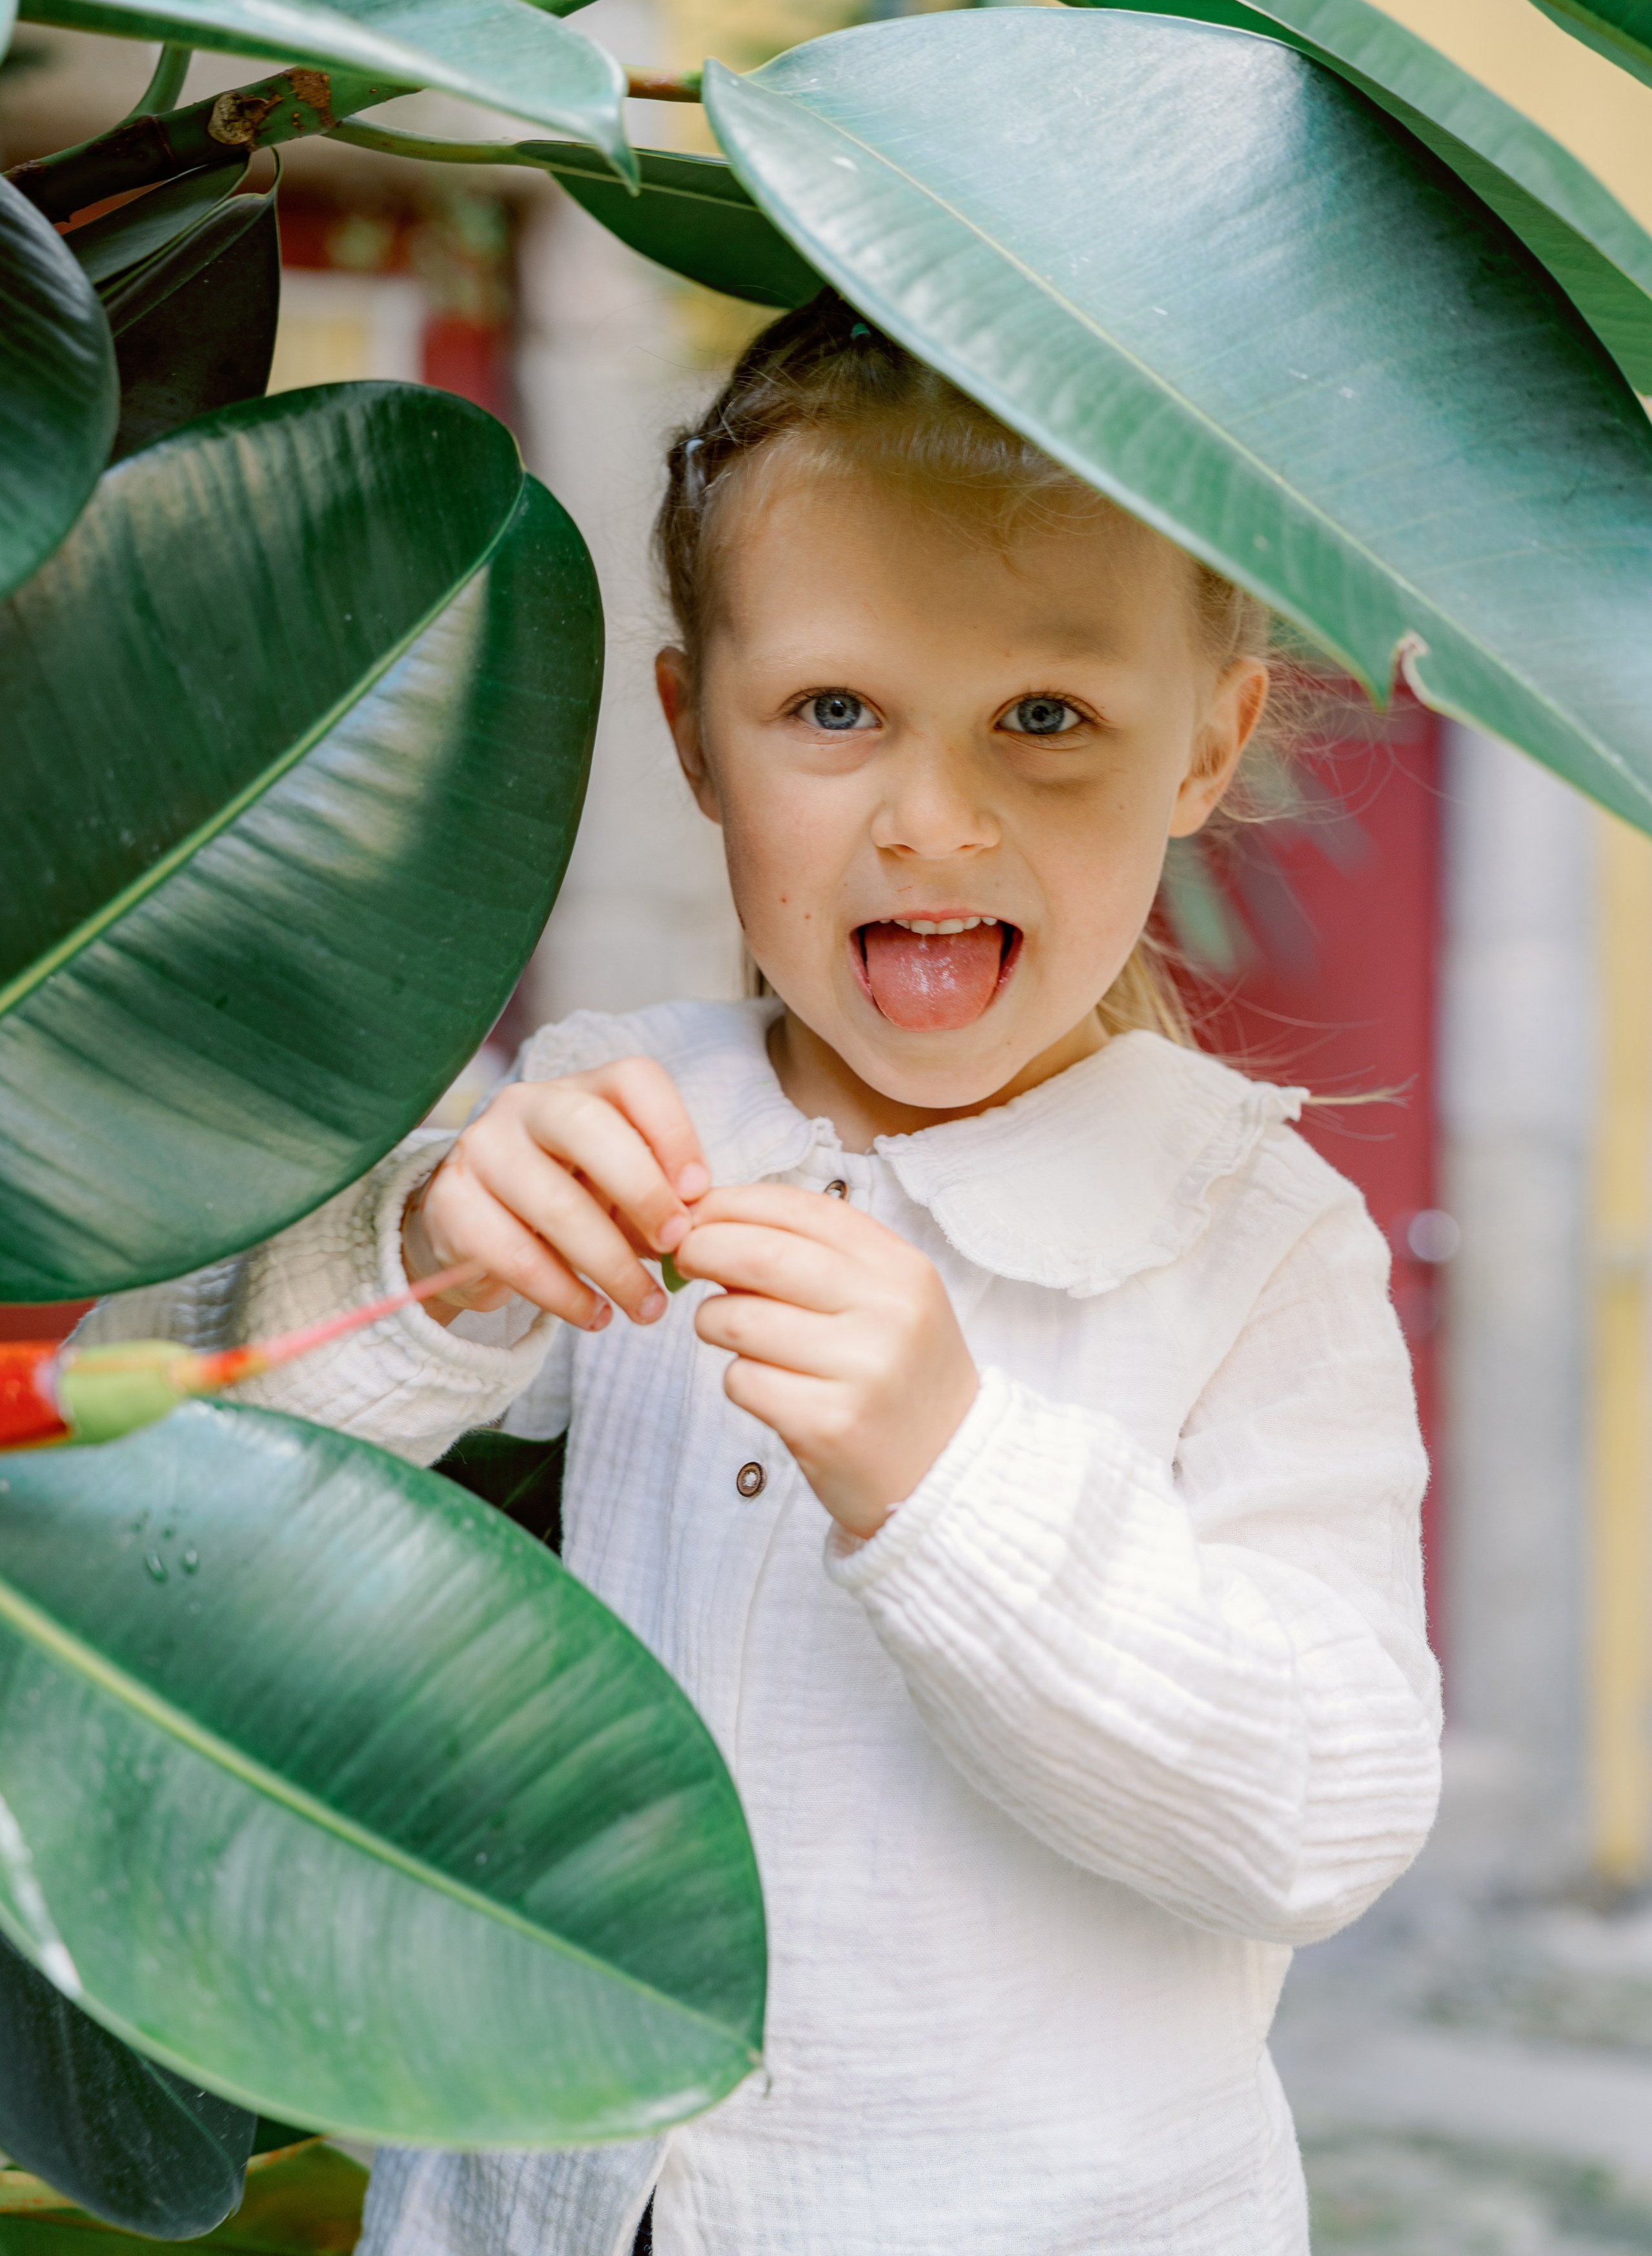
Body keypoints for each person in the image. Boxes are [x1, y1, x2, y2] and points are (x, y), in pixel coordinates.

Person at [92, 293, 1440, 2254]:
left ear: (1207, 745)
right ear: (693, 734)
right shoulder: (613, 1111)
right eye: (833, 711)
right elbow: (212, 1507)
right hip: (535, 2194)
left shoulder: (1244, 1239)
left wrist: (955, 1481)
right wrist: (433, 1262)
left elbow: (1322, 1805)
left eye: (1046, 718)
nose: (933, 814)